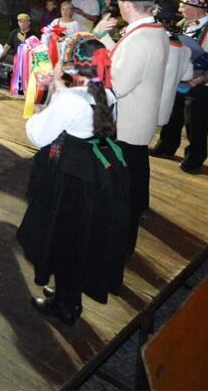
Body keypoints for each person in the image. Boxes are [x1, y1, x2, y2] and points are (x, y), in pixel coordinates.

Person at [16, 32, 129, 326]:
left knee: (63, 239)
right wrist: (56, 85)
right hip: (95, 174)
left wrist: (40, 108)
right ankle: (69, 293)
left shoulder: (70, 101)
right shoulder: (108, 95)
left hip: (70, 180)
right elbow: (75, 106)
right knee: (80, 240)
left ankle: (67, 305)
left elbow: (38, 135)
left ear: (75, 67)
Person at [93, 0, 167, 250]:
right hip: (137, 123)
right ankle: (121, 244)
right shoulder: (150, 31)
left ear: (127, 4)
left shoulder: (140, 38)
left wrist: (92, 72)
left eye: (119, 1)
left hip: (127, 127)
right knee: (130, 189)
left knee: (121, 196)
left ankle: (117, 248)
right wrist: (104, 41)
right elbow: (126, 64)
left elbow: (119, 84)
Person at [151, 0, 208, 174]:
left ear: (196, 8)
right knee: (172, 114)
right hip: (179, 78)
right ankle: (166, 145)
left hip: (201, 84)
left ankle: (194, 158)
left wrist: (202, 77)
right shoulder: (182, 24)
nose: (180, 8)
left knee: (195, 122)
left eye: (183, 6)